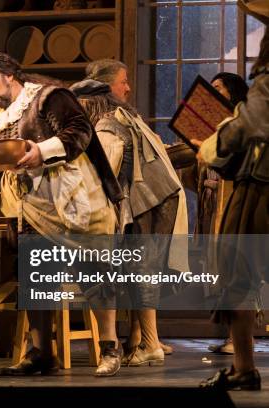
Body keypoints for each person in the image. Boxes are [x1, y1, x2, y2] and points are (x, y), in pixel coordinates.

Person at [0, 52, 124, 376]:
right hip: (30, 207)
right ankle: (43, 353)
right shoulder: (2, 122)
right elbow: (2, 175)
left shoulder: (48, 98)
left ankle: (110, 347)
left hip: (72, 198)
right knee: (36, 279)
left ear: (9, 74)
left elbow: (80, 130)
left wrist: (40, 150)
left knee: (92, 274)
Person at [71, 79, 189, 368]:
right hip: (158, 198)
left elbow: (105, 174)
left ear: (88, 104)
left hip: (149, 201)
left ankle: (150, 344)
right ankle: (141, 342)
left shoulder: (107, 127)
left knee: (141, 270)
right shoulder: (127, 116)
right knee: (141, 271)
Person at [197, 9, 268, 390]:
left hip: (261, 188)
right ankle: (243, 367)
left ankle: (244, 368)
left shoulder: (267, 81)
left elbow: (250, 125)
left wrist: (214, 144)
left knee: (237, 273)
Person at [200, 72, 250, 355]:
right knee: (220, 270)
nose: (213, 90)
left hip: (236, 203)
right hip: (215, 203)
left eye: (218, 87)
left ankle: (240, 346)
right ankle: (234, 341)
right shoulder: (217, 124)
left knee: (237, 269)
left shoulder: (239, 122)